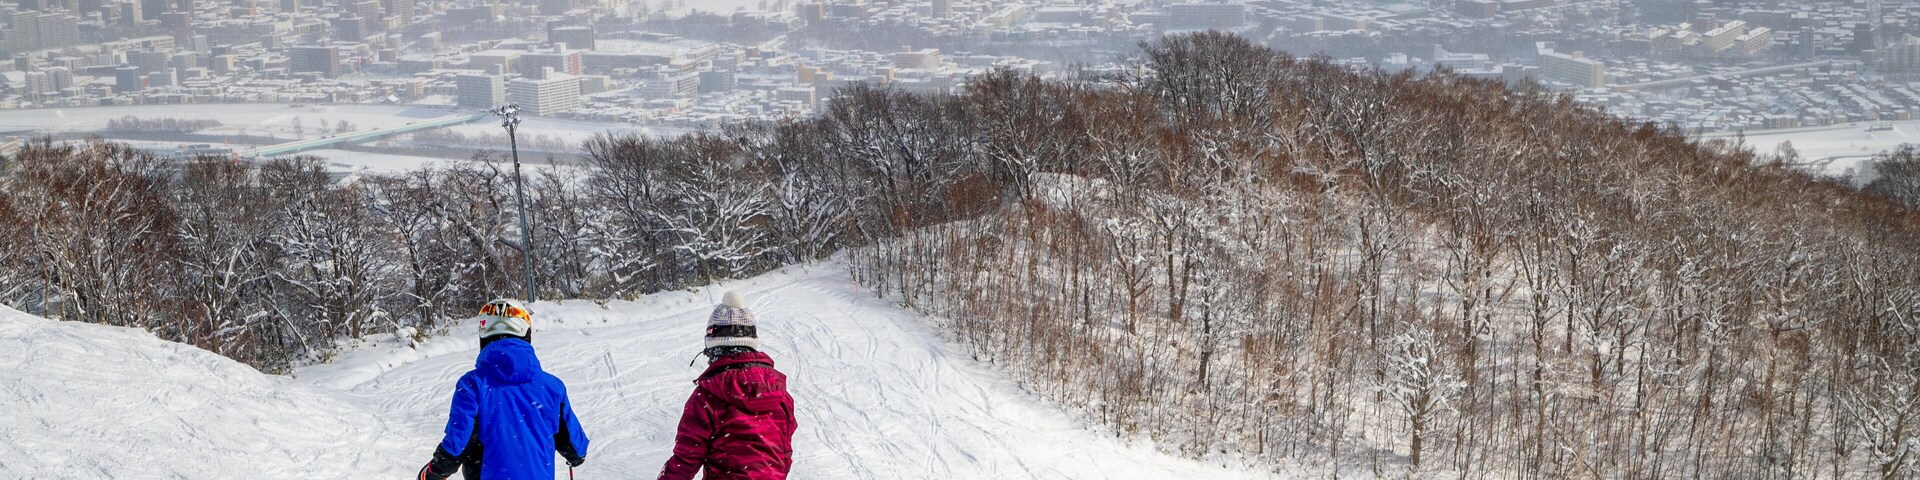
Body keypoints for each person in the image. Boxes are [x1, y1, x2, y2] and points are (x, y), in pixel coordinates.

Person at [418, 298, 589, 480]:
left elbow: (457, 444)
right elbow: (577, 451)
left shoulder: (472, 385)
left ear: (484, 336)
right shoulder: (553, 387)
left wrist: (432, 472)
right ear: (526, 334)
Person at [658, 291, 798, 480]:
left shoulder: (707, 396)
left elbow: (685, 461)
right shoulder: (779, 393)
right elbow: (784, 453)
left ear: (713, 347)